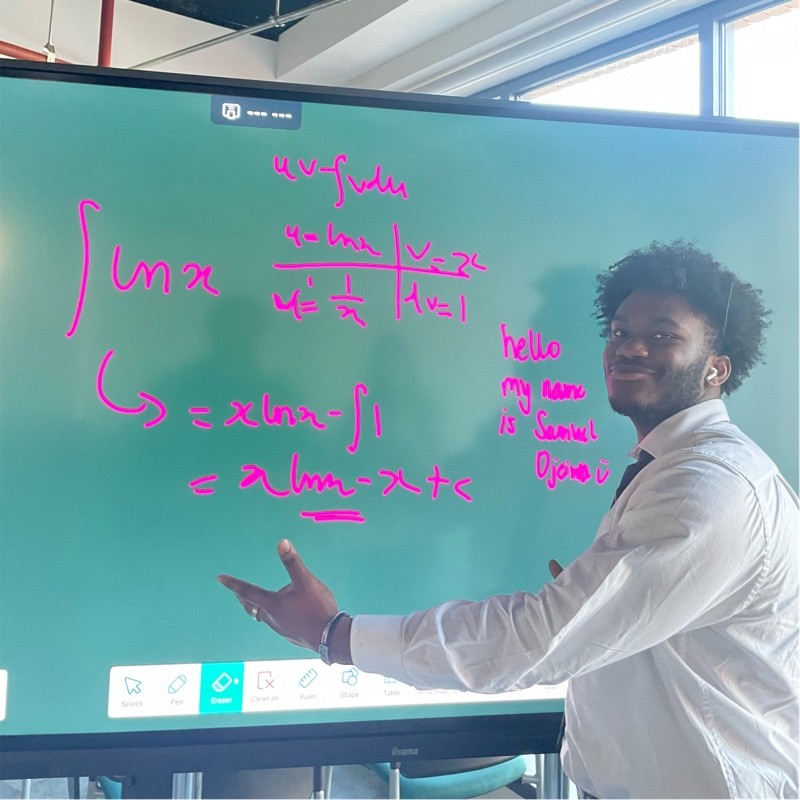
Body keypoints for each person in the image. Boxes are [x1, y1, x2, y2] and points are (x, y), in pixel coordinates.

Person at [219, 241, 799, 799]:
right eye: (620, 332)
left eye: (662, 335)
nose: (629, 348)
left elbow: (538, 639)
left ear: (717, 368)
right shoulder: (664, 464)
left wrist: (335, 635)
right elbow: (448, 489)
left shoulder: (709, 486)